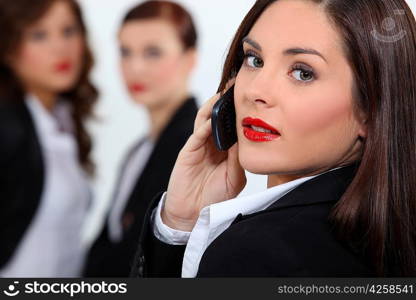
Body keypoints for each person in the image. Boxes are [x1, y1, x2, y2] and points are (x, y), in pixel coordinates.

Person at [131, 0, 416, 277]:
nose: (257, 90)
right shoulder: (388, 237)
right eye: (255, 60)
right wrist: (181, 224)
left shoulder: (254, 253)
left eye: (303, 72)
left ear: (371, 108)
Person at [84, 0, 198, 277]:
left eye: (152, 52)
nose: (135, 67)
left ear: (189, 59)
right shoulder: (140, 149)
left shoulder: (194, 148)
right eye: (125, 52)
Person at [0, 0, 97, 277]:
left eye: (68, 31)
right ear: (8, 48)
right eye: (39, 35)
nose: (60, 48)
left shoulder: (63, 118)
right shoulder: (7, 128)